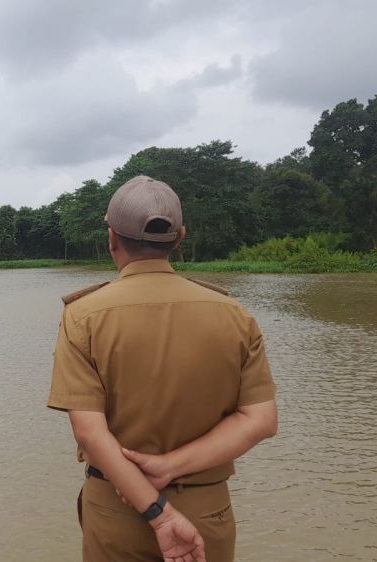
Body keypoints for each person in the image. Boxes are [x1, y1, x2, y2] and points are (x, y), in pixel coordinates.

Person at [47, 175, 278, 562]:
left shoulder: (83, 316)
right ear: (180, 237)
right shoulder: (235, 316)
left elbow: (89, 432)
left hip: (116, 511)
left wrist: (158, 513)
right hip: (207, 513)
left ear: (112, 239)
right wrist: (169, 466)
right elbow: (260, 420)